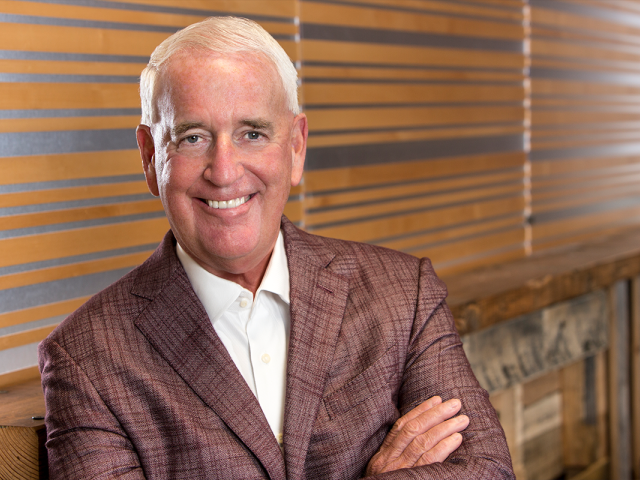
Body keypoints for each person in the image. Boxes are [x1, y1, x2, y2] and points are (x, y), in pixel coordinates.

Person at [38, 17, 514, 479]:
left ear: (296, 147)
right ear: (149, 156)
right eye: (193, 137)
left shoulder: (403, 295)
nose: (224, 171)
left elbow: (487, 470)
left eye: (252, 133)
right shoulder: (86, 360)